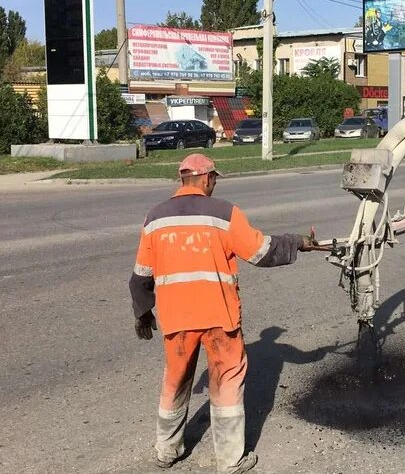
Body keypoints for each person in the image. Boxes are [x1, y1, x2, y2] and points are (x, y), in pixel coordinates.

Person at [129, 153, 328, 473]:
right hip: (219, 317)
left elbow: (141, 276)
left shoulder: (155, 218)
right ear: (206, 178)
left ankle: (166, 450)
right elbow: (262, 252)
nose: (214, 184)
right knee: (227, 384)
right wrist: (299, 242)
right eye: (214, 179)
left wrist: (142, 312)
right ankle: (230, 461)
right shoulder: (224, 213)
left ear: (182, 179)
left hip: (177, 318)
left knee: (175, 381)